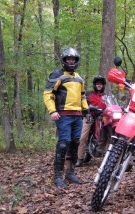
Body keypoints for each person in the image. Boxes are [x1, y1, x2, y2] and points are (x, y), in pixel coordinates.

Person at [43, 47, 89, 188]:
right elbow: (48, 94)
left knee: (75, 143)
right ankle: (58, 175)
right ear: (64, 60)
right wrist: (52, 111)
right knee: (64, 143)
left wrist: (86, 110)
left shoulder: (79, 77)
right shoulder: (57, 74)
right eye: (68, 59)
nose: (71, 61)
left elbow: (82, 96)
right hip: (63, 115)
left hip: (77, 116)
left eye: (73, 59)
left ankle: (70, 172)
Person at [75, 75, 107, 167]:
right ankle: (79, 158)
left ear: (103, 85)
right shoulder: (88, 94)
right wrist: (89, 109)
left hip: (102, 118)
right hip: (89, 117)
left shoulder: (106, 96)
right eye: (97, 84)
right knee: (82, 137)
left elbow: (111, 105)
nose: (99, 85)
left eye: (100, 84)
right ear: (94, 85)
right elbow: (82, 103)